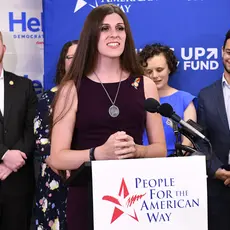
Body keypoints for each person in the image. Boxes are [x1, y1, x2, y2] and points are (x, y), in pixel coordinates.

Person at [48, 4, 166, 230]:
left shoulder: (145, 85)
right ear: (92, 35)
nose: (114, 34)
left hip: (136, 197)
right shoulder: (72, 88)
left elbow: (160, 148)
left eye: (120, 28)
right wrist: (98, 153)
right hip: (87, 197)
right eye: (105, 28)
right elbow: (58, 157)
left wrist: (137, 150)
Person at [34, 40, 78, 230]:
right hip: (56, 177)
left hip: (89, 176)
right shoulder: (48, 97)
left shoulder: (99, 96)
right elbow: (42, 140)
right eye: (70, 57)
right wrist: (63, 164)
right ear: (63, 62)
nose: (75, 61)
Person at [0, 31, 37, 230]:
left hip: (18, 181)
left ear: (3, 49)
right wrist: (4, 154)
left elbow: (32, 128)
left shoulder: (24, 86)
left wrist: (11, 164)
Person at [138, 43, 197, 156]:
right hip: (141, 163)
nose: (154, 75)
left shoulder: (185, 100)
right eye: (149, 71)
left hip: (176, 165)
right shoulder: (135, 99)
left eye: (159, 70)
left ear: (169, 68)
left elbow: (188, 143)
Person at [197, 30, 230, 230]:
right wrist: (216, 171)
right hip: (219, 186)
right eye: (229, 51)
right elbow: (201, 140)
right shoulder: (206, 95)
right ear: (221, 52)